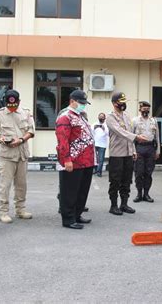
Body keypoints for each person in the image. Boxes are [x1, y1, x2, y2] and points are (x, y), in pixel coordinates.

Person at [0, 89, 35, 224]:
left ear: (19, 102)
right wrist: (0, 139)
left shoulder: (25, 113)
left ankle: (20, 209)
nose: (12, 108)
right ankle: (3, 212)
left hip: (22, 154)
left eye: (14, 105)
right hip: (6, 155)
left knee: (21, 185)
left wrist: (21, 140)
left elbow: (31, 131)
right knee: (5, 185)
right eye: (9, 106)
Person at [55, 90, 94, 229]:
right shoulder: (65, 117)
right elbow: (63, 140)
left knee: (82, 191)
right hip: (73, 160)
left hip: (86, 161)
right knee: (69, 191)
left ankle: (77, 215)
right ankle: (68, 219)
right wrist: (66, 159)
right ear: (72, 101)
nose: (83, 105)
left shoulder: (80, 116)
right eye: (81, 103)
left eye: (84, 103)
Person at [106, 92, 148, 215]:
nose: (123, 104)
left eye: (124, 102)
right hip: (117, 154)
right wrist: (136, 137)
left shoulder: (126, 116)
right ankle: (113, 205)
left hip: (128, 154)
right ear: (114, 104)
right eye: (121, 102)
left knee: (127, 180)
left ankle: (124, 204)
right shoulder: (110, 117)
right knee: (115, 181)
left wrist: (133, 150)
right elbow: (120, 132)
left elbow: (128, 132)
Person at [132, 101, 160, 203]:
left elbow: (157, 137)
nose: (146, 110)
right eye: (144, 109)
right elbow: (131, 137)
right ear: (140, 109)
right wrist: (133, 151)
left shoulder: (153, 121)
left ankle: (146, 194)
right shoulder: (134, 121)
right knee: (139, 173)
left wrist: (157, 151)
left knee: (148, 173)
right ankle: (139, 194)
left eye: (147, 109)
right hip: (139, 148)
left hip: (150, 148)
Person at [93, 112, 109, 177]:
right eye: (100, 116)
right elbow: (91, 132)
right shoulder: (94, 124)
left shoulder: (106, 125)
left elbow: (108, 134)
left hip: (102, 144)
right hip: (95, 143)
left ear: (105, 118)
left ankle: (99, 172)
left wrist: (104, 129)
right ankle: (96, 170)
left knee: (101, 159)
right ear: (98, 117)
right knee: (95, 158)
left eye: (102, 116)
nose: (101, 117)